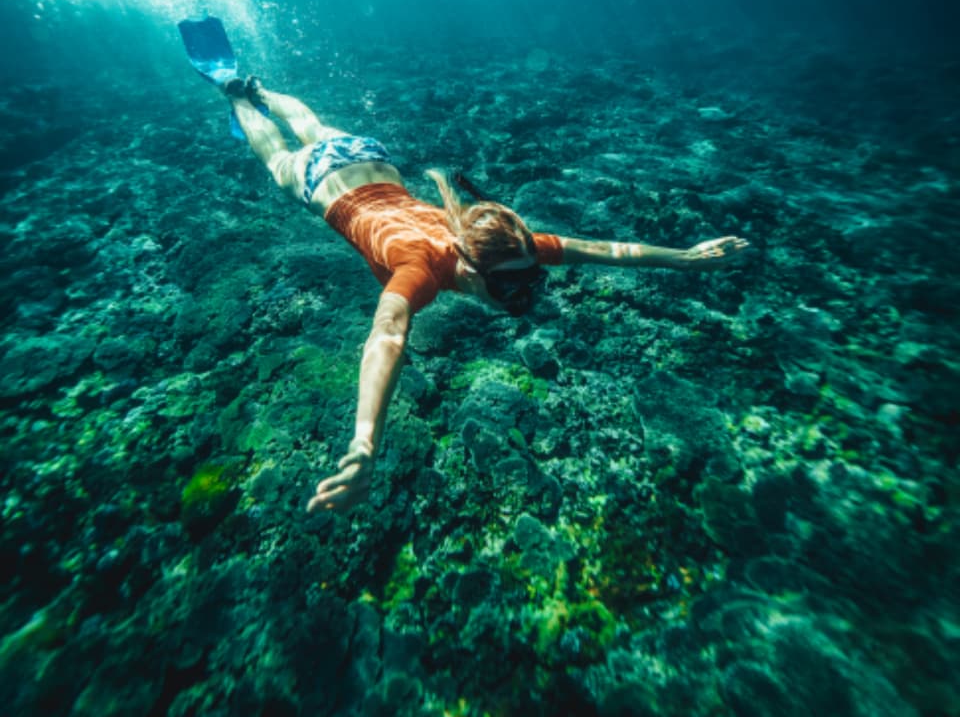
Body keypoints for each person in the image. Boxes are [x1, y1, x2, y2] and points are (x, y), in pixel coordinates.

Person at [222, 76, 749, 515]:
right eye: (511, 286)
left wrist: (684, 256)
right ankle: (242, 97)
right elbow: (387, 335)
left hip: (368, 162)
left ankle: (259, 92)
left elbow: (601, 249)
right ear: (471, 270)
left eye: (530, 279)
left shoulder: (508, 250)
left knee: (314, 129)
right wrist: (365, 440)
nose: (523, 291)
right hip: (330, 180)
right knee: (279, 157)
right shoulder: (420, 267)